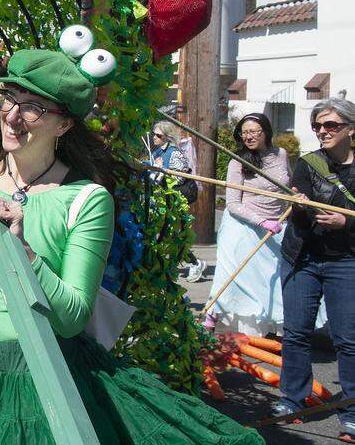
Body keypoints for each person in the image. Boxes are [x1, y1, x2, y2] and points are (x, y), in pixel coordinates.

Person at [0, 30, 262, 445]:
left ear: (64, 123)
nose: (12, 116)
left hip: (46, 381)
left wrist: (26, 253)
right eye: (9, 98)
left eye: (33, 108)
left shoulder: (86, 199)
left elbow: (71, 318)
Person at [276, 98, 355, 440]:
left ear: (351, 129)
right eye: (318, 126)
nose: (322, 131)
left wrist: (347, 223)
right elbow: (299, 211)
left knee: (348, 340)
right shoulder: (308, 163)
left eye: (331, 126)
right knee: (295, 332)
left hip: (347, 261)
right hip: (303, 257)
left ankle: (352, 409)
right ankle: (293, 400)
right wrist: (298, 205)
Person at [204, 114, 322, 335]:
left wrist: (295, 197)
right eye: (244, 132)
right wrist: (262, 221)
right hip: (242, 226)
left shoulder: (281, 154)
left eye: (253, 131)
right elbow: (232, 204)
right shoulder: (237, 161)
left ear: (265, 132)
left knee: (272, 278)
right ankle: (209, 320)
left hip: (277, 226)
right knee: (231, 277)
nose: (248, 137)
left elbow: (287, 186)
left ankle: (277, 330)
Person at [150, 120, 205, 282]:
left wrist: (161, 171)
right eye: (154, 134)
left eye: (158, 135)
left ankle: (194, 262)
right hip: (160, 199)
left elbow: (180, 178)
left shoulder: (174, 153)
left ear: (167, 137)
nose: (154, 137)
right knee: (164, 233)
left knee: (173, 234)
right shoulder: (158, 151)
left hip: (174, 199)